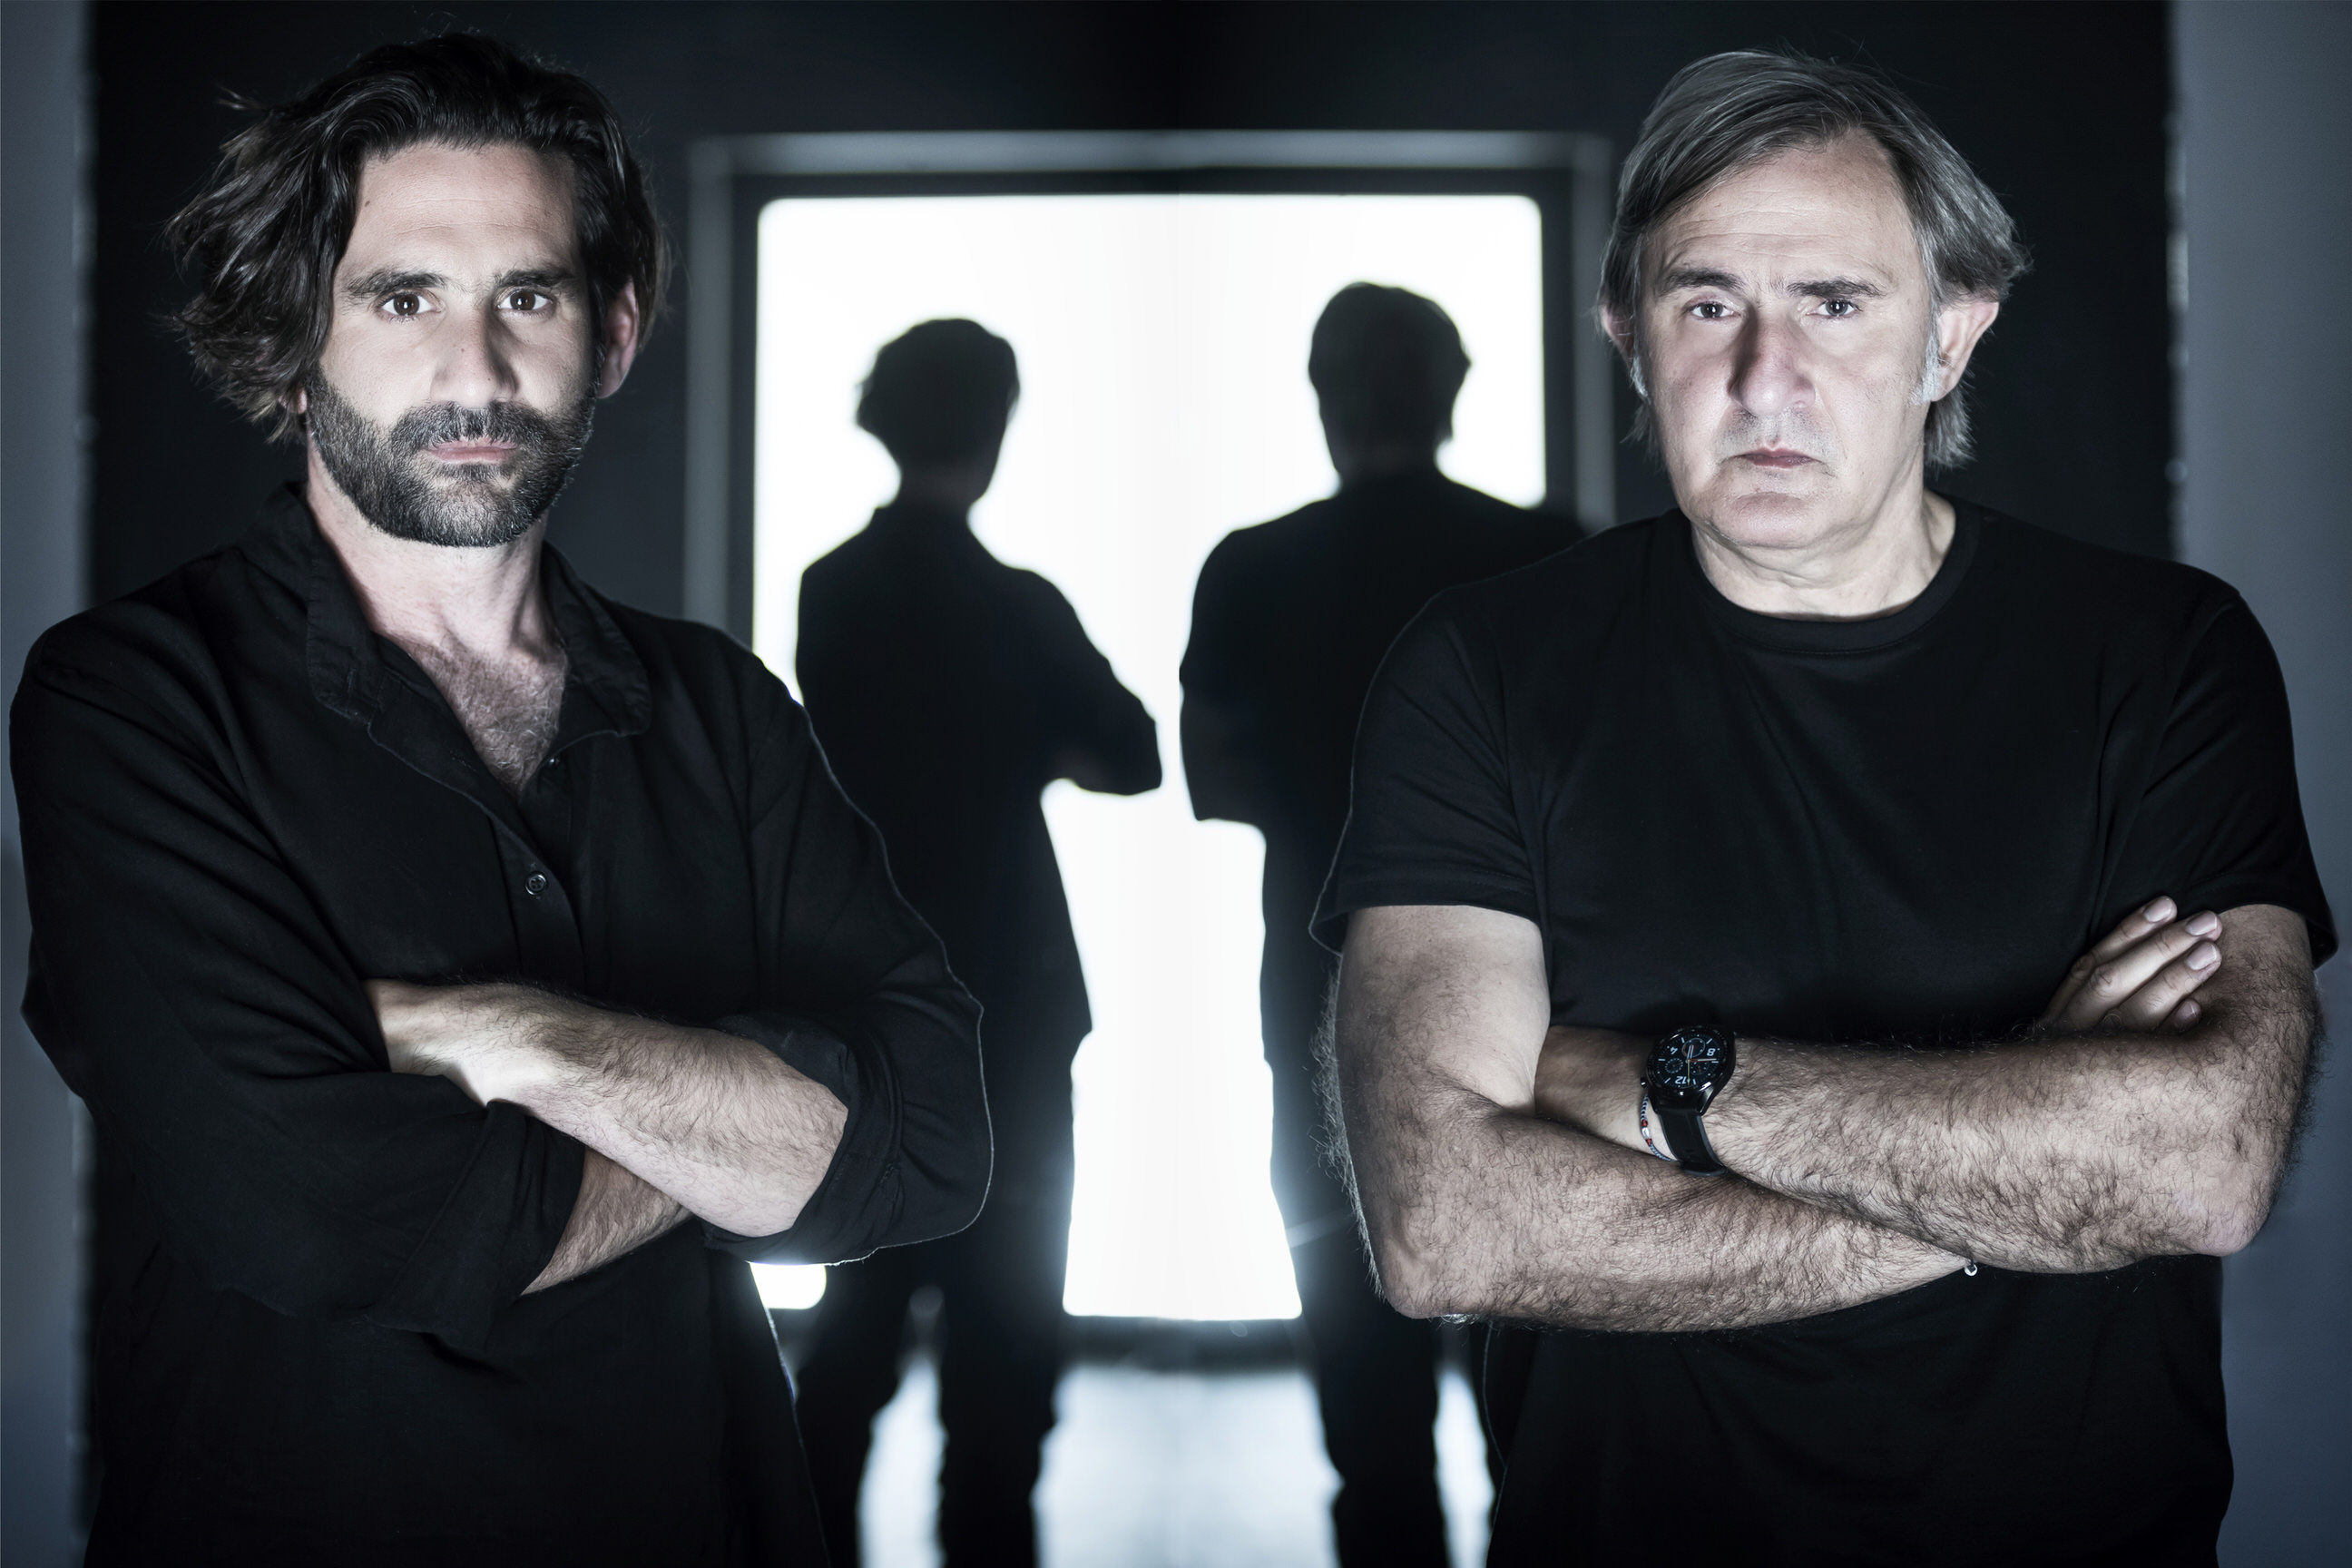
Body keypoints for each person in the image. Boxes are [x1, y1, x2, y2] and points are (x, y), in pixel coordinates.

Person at [1321, 50, 2333, 1567]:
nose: (1763, 379)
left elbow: (2201, 1164)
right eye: (1706, 304)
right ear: (1627, 334)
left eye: (1837, 304)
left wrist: (1670, 1087)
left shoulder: (2162, 655)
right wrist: (2027, 1163)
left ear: (1953, 335)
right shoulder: (1481, 669)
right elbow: (1446, 1226)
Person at [11, 35, 990, 1566]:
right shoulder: (133, 700)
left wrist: (502, 1035)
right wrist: (742, 1126)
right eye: (404, 299)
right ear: (296, 341)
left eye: (526, 297)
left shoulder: (721, 708)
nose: (473, 372)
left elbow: (931, 1142)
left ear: (613, 332)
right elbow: (330, 1220)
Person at [1180, 284, 1563, 1566]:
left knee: (1355, 1309)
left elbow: (1214, 781)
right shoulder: (1550, 553)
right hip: (1539, 981)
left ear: (1323, 399)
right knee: (1538, 1332)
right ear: (1453, 394)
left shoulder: (1253, 565)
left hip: (1322, 967)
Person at [791, 319, 1161, 1568]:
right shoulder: (1016, 604)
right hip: (1014, 993)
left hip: (873, 990)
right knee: (1007, 1328)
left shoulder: (836, 590)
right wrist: (1026, 736)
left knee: (861, 1310)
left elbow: (847, 764)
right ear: (994, 430)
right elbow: (1132, 753)